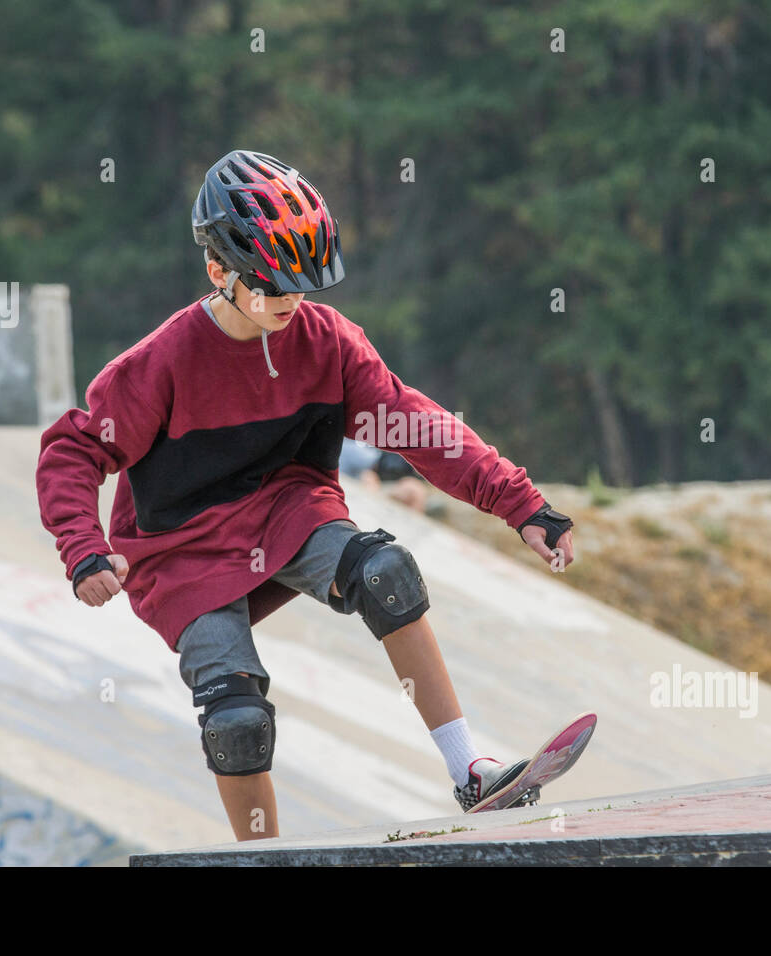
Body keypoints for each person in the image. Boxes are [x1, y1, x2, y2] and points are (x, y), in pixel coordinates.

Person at [36, 149, 575, 841]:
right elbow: (73, 451)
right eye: (273, 287)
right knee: (237, 721)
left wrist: (520, 503)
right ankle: (262, 856)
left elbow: (414, 424)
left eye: (303, 285)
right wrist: (84, 549)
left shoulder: (328, 343)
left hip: (291, 513)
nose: (292, 302)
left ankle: (470, 768)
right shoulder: (159, 363)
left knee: (385, 573)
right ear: (219, 271)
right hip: (179, 554)